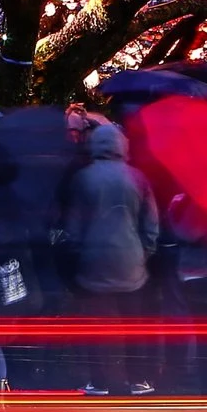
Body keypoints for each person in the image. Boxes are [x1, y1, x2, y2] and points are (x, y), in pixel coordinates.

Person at [64, 123, 159, 396]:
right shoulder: (137, 178)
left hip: (93, 261)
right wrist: (145, 252)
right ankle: (137, 378)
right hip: (132, 261)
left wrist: (76, 251)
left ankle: (103, 380)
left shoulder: (84, 178)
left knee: (100, 325)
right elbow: (151, 224)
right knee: (133, 323)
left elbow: (73, 226)